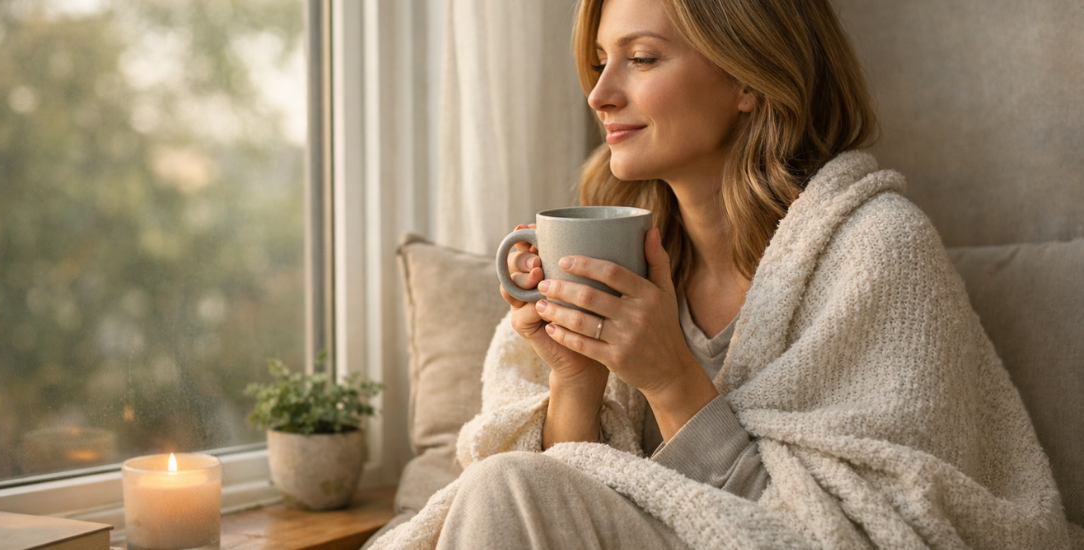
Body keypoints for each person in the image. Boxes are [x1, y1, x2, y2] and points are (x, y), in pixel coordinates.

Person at [369, 0, 1074, 548]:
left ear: (747, 75)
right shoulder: (624, 249)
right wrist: (575, 375)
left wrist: (673, 380)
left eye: (640, 59)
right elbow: (574, 506)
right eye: (598, 62)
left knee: (508, 492)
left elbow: (864, 531)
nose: (600, 95)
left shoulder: (876, 249)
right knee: (510, 490)